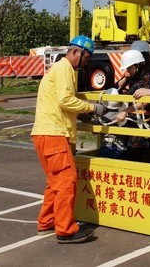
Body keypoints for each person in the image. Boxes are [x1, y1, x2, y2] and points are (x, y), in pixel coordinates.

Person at [31, 35, 108, 244]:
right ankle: (65, 230)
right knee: (66, 180)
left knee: (54, 182)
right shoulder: (64, 67)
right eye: (86, 59)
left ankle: (47, 222)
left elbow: (61, 102)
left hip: (45, 133)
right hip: (54, 134)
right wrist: (93, 107)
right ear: (77, 52)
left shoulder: (59, 69)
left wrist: (80, 114)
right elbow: (65, 100)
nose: (85, 64)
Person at [111, 49, 150, 162]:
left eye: (129, 68)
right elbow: (116, 88)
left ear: (137, 65)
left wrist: (125, 111)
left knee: (149, 157)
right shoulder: (133, 77)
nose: (128, 70)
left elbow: (146, 101)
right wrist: (126, 78)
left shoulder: (148, 77)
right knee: (133, 155)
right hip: (134, 122)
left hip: (146, 122)